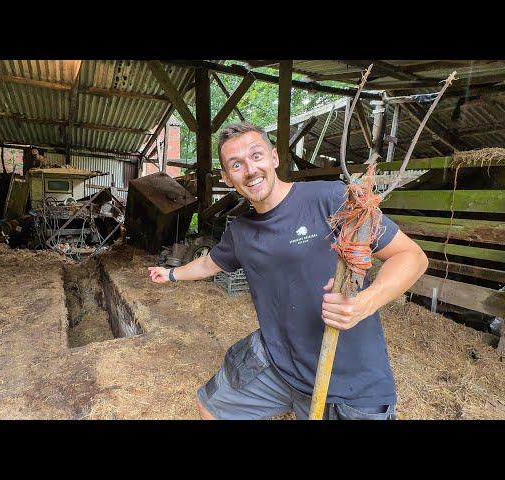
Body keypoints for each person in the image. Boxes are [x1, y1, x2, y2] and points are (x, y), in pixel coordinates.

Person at [148, 122, 429, 420]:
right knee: (211, 406)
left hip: (348, 383)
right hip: (279, 364)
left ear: (274, 158)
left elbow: (411, 256)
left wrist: (364, 303)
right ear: (228, 178)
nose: (250, 170)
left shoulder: (329, 199)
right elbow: (209, 263)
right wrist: (171, 274)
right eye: (236, 164)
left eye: (256, 156)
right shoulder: (241, 231)